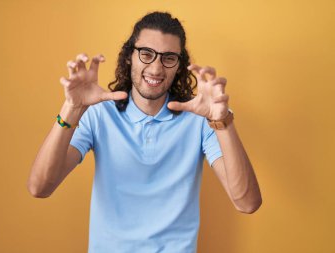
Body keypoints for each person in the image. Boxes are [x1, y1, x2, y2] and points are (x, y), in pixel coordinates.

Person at [27, 12, 262, 253]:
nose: (156, 68)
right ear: (130, 56)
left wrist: (222, 121)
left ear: (179, 65)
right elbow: (40, 187)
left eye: (168, 58)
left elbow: (247, 202)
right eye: (147, 54)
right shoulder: (98, 113)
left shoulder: (202, 119)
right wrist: (71, 109)